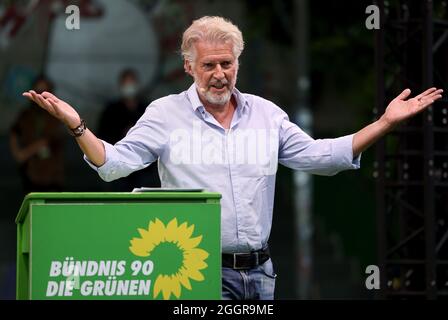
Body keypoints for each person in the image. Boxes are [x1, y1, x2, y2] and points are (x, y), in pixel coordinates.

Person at [23, 16, 443, 300]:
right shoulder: (163, 115)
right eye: (208, 65)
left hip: (261, 274)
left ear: (238, 63)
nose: (219, 74)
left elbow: (323, 155)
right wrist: (77, 126)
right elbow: (113, 166)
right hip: (196, 271)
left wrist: (385, 122)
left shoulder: (267, 114)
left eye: (227, 63)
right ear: (189, 67)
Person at [97, 68, 160, 190]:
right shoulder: (111, 110)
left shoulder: (147, 108)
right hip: (117, 162)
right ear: (120, 85)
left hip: (144, 166)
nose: (129, 86)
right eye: (126, 83)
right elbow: (102, 135)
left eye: (131, 82)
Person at [11, 75, 65, 195]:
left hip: (52, 173)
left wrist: (25, 153)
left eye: (44, 92)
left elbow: (50, 140)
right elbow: (14, 132)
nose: (40, 97)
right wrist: (19, 153)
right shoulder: (26, 115)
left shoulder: (56, 114)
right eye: (38, 91)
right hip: (31, 171)